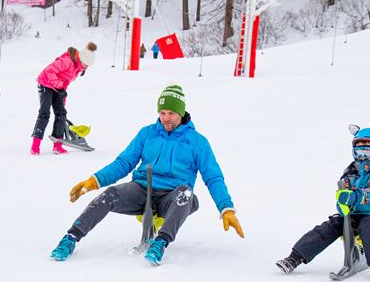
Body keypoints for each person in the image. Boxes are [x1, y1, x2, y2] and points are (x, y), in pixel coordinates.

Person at [49, 85, 245, 265]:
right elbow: (124, 162)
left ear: (181, 113)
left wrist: (226, 208)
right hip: (142, 190)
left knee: (186, 194)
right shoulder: (147, 133)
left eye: (171, 113)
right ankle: (71, 238)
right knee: (110, 194)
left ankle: (160, 242)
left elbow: (213, 177)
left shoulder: (197, 142)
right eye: (162, 113)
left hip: (174, 197)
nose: (166, 118)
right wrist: (94, 181)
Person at [276, 125, 370, 282]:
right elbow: (343, 187)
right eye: (359, 151)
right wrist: (342, 200)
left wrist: (357, 196)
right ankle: (296, 257)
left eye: (367, 151)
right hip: (352, 213)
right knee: (330, 226)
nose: (362, 156)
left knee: (368, 226)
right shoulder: (353, 168)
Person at [30, 42, 97, 155]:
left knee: (61, 114)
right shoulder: (68, 61)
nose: (86, 67)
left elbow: (65, 82)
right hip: (45, 83)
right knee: (44, 113)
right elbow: (49, 71)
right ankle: (35, 146)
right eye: (86, 64)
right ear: (82, 60)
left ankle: (57, 145)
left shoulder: (77, 68)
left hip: (57, 87)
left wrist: (62, 97)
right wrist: (59, 87)